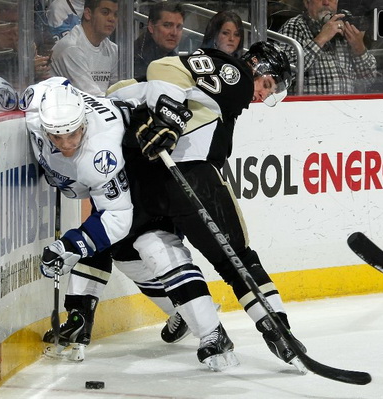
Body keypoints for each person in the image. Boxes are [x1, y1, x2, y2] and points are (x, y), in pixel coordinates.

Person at [107, 41, 307, 372]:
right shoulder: (238, 76)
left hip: (146, 180)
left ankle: (218, 335)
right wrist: (168, 115)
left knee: (154, 250)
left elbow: (123, 90)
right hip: (189, 176)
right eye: (268, 83)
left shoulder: (224, 89)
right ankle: (273, 331)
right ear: (256, 66)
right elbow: (163, 68)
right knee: (234, 259)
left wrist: (161, 115)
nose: (262, 93)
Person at [21, 77, 237, 370]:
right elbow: (49, 86)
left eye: (73, 134)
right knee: (124, 254)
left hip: (148, 171)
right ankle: (179, 313)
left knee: (155, 246)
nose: (67, 144)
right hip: (122, 176)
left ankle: (213, 333)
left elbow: (117, 219)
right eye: (57, 137)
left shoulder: (99, 153)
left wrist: (69, 246)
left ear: (83, 122)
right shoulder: (42, 102)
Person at [277, 0, 377, 95]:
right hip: (308, 109)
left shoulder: (346, 26)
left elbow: (370, 80)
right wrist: (321, 39)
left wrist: (359, 48)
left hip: (346, 108)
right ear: (307, 3)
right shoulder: (295, 26)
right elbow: (282, 74)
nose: (326, 2)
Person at [49, 0, 118, 96]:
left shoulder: (113, 49)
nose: (112, 19)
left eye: (115, 14)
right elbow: (91, 96)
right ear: (88, 14)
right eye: (105, 12)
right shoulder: (71, 48)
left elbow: (117, 91)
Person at [133, 1, 184, 80]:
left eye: (179, 27)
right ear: (151, 26)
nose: (174, 33)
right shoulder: (134, 56)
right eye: (167, 25)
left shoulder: (175, 60)